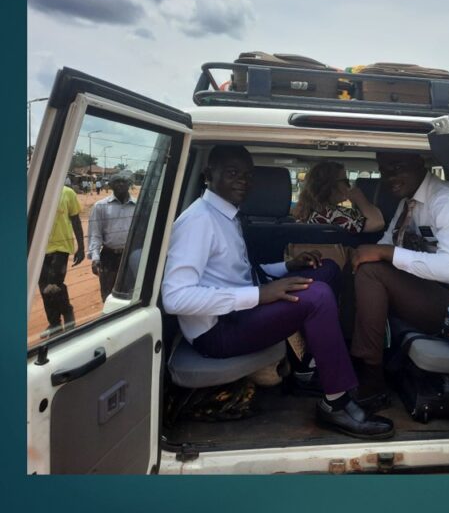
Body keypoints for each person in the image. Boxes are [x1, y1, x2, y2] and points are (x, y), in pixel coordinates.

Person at [161, 145, 393, 439]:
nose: (243, 181)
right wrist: (261, 295)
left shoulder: (226, 214)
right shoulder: (198, 221)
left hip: (238, 314)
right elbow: (175, 298)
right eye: (233, 173)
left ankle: (306, 367)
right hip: (216, 332)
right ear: (208, 175)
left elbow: (240, 273)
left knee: (328, 271)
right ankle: (335, 403)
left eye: (247, 175)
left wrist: (287, 266)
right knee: (318, 296)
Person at [349, 152, 449, 403]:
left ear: (420, 163)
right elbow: (388, 242)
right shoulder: (406, 204)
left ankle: (372, 378)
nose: (390, 177)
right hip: (430, 289)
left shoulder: (445, 199)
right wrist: (370, 252)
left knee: (371, 272)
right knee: (358, 264)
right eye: (385, 171)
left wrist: (386, 253)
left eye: (398, 166)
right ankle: (345, 357)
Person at [38, 185, 85, 338]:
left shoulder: (67, 192)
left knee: (55, 285)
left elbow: (76, 220)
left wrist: (81, 246)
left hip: (61, 247)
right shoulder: (32, 189)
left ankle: (67, 312)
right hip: (38, 248)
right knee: (44, 287)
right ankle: (54, 323)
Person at [293, 161, 385, 232]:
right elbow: (377, 223)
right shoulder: (334, 214)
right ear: (331, 185)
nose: (349, 185)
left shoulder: (304, 212)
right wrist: (360, 199)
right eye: (345, 181)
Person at [88, 170, 137, 301]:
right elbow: (95, 234)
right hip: (109, 257)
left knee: (131, 295)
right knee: (108, 295)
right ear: (111, 185)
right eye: (117, 182)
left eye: (124, 181)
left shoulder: (138, 206)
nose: (121, 184)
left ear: (129, 184)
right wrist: (95, 257)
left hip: (131, 256)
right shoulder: (101, 206)